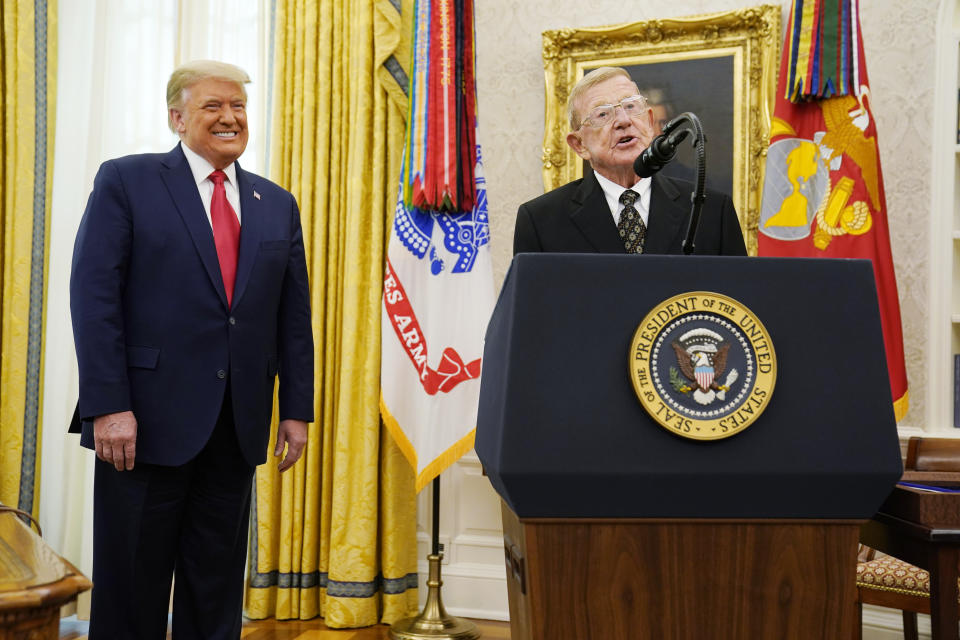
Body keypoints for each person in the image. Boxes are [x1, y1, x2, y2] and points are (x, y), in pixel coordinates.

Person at [69, 60, 314, 639]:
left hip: (235, 426)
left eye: (238, 107)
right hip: (142, 425)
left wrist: (296, 410)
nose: (230, 118)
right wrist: (108, 405)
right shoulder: (126, 181)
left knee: (217, 588)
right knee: (133, 588)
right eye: (213, 106)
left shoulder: (275, 203)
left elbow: (293, 318)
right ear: (177, 118)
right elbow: (93, 296)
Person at [514, 67, 746, 256]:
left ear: (650, 122)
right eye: (603, 114)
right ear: (579, 144)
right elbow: (534, 311)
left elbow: (738, 304)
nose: (623, 121)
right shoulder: (541, 221)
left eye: (631, 107)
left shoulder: (712, 211)